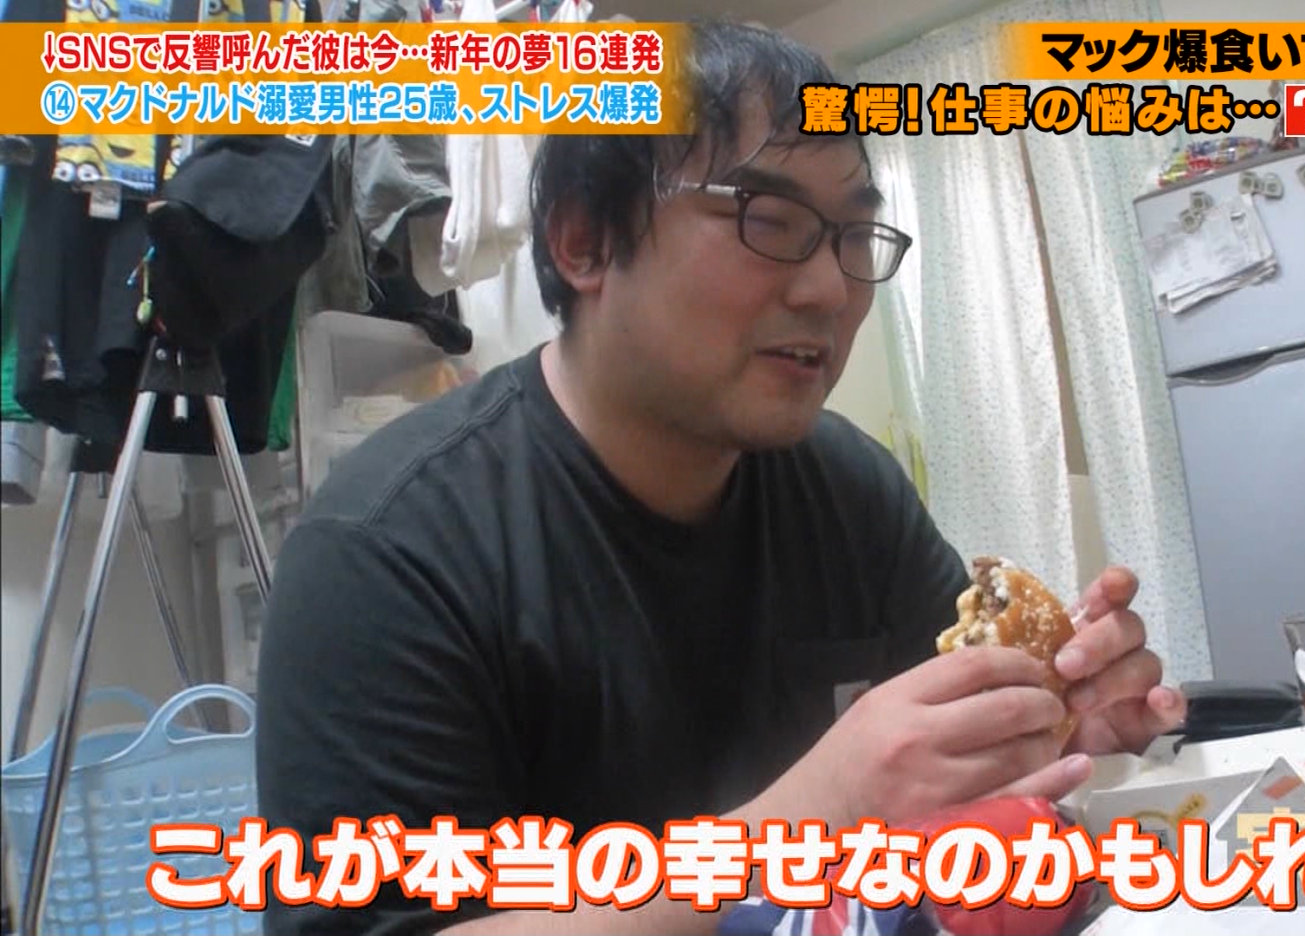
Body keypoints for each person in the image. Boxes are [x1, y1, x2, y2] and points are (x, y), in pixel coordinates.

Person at [255, 18, 1187, 936]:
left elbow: (939, 789)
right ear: (583, 241)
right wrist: (804, 816)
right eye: (768, 221)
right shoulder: (385, 553)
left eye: (852, 237)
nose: (829, 290)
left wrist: (1049, 729)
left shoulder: (846, 488)